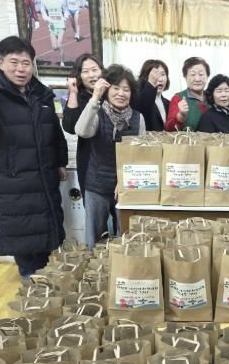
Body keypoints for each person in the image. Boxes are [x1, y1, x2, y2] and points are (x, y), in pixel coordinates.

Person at [0, 36, 67, 279]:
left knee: (47, 238)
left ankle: (44, 287)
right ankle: (31, 287)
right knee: (24, 243)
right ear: (0, 63)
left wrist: (60, 162)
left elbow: (54, 132)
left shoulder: (41, 94)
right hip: (14, 183)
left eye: (25, 63)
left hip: (44, 179)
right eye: (14, 62)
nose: (20, 69)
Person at [74, 65, 146, 249]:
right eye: (116, 88)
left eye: (126, 89)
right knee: (95, 237)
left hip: (125, 186)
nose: (121, 93)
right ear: (107, 90)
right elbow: (81, 131)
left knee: (126, 236)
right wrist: (95, 98)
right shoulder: (97, 113)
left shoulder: (138, 118)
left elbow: (140, 156)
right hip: (96, 185)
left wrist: (124, 180)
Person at [62, 53, 105, 196]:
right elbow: (70, 127)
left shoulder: (112, 93)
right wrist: (73, 92)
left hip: (111, 158)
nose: (91, 75)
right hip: (88, 159)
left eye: (95, 70)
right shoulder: (79, 97)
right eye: (85, 71)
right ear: (79, 76)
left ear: (102, 71)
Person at [165, 57, 210, 131]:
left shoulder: (212, 97)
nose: (197, 79)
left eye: (201, 74)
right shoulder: (178, 98)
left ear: (207, 76)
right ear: (185, 77)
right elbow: (169, 129)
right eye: (192, 74)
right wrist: (180, 115)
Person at [137, 59, 170, 131]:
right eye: (155, 75)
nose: (160, 79)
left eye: (163, 74)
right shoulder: (138, 99)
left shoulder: (168, 103)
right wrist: (151, 85)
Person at [40, 0, 68, 66]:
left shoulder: (60, 0)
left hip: (61, 24)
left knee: (59, 44)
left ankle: (62, 62)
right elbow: (42, 11)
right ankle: (60, 53)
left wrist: (65, 18)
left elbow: (65, 10)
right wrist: (47, 19)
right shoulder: (44, 0)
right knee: (54, 47)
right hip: (52, 25)